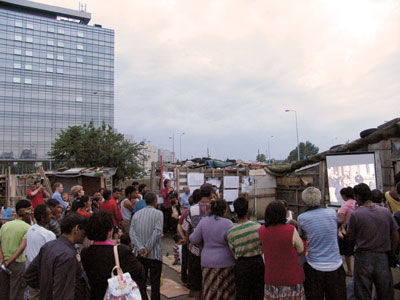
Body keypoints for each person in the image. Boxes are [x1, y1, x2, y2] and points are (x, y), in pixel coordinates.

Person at [346, 183, 399, 300]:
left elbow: (350, 237)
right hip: (383, 256)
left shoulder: (356, 214)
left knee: (362, 292)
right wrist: (392, 253)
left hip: (363, 256)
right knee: (385, 292)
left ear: (358, 196)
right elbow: (396, 236)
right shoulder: (385, 212)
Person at [81, 211, 147, 300]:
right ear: (109, 231)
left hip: (96, 295)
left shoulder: (85, 253)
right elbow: (139, 273)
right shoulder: (121, 251)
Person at [24, 213, 89, 300]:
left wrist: (46, 288)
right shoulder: (67, 255)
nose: (85, 235)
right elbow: (63, 294)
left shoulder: (48, 246)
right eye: (85, 231)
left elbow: (30, 275)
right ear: (76, 229)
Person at [297, 186, 346, 300]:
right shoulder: (331, 213)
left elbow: (302, 237)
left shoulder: (302, 218)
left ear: (304, 202)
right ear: (320, 199)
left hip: (314, 266)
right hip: (336, 266)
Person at [190, 199, 235, 300]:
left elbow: (193, 239)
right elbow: (234, 242)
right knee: (225, 292)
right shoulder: (228, 224)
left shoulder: (204, 222)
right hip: (226, 262)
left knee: (211, 293)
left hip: (208, 262)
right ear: (224, 210)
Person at [259, 201, 305, 300]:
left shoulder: (262, 230)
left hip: (272, 277)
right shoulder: (291, 230)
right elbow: (301, 248)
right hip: (291, 277)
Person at [227, 197, 264, 300]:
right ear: (247, 210)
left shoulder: (231, 232)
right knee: (258, 292)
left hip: (241, 265)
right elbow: (262, 245)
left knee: (242, 293)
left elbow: (232, 250)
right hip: (257, 262)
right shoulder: (258, 227)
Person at [130, 191, 163, 300]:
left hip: (139, 254)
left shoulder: (136, 214)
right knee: (155, 283)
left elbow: (132, 233)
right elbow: (157, 232)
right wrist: (147, 248)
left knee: (141, 282)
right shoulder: (158, 214)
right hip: (154, 254)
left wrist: (140, 248)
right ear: (155, 201)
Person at [182, 184, 213, 300]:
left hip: (195, 250)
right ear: (211, 194)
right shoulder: (214, 209)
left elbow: (186, 229)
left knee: (196, 281)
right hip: (210, 251)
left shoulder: (192, 209)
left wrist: (188, 242)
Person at [0, 199, 31, 300]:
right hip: (17, 262)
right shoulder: (27, 227)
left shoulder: (5, 226)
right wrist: (10, 260)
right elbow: (22, 247)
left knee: (4, 292)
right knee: (16, 292)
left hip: (3, 263)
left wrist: (3, 260)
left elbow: (0, 243)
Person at [26, 204, 56, 300]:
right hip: (42, 272)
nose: (51, 216)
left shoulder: (30, 229)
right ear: (43, 218)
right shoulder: (48, 234)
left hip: (31, 270)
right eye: (49, 214)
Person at [337, 187, 356, 277]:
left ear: (344, 195)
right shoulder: (357, 204)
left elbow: (341, 220)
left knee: (347, 252)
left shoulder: (345, 206)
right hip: (357, 229)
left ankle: (349, 270)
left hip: (347, 229)